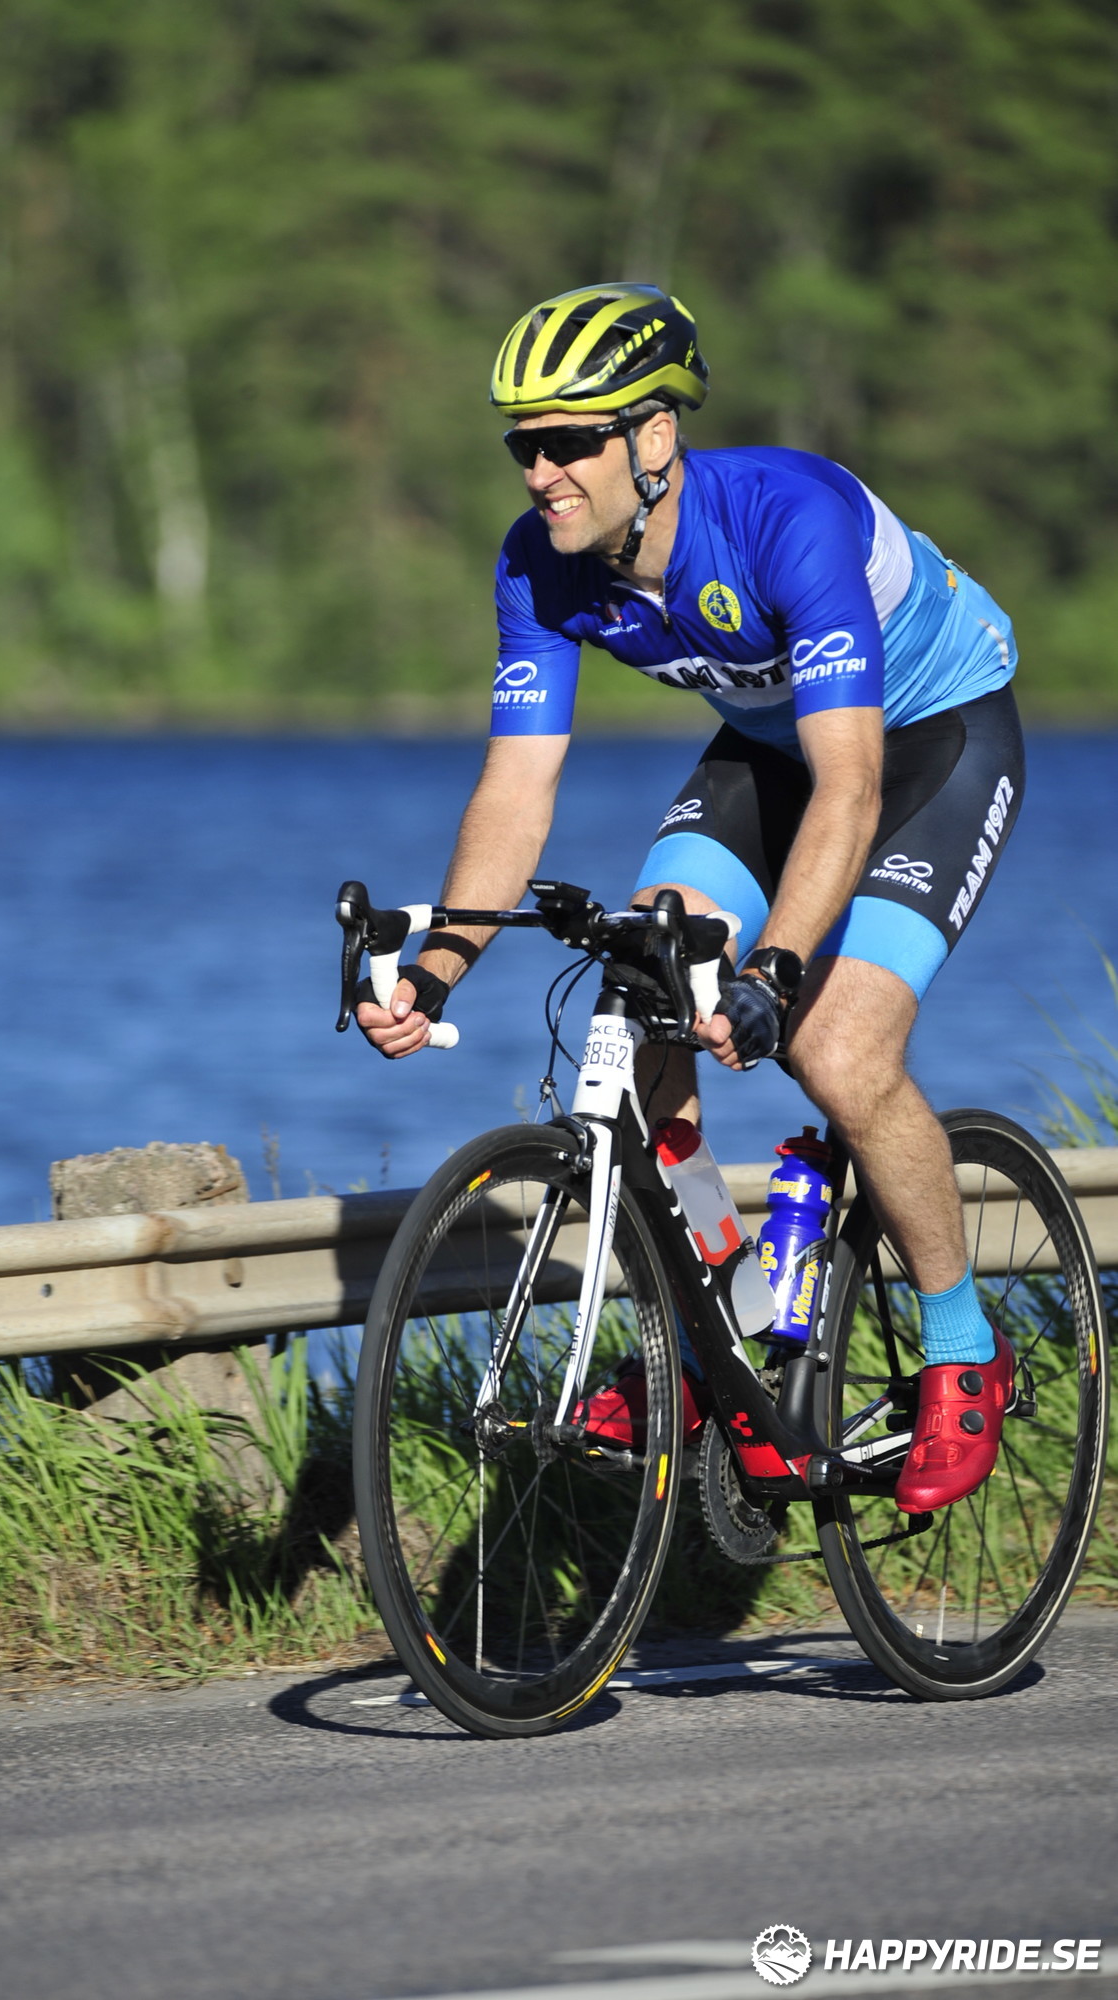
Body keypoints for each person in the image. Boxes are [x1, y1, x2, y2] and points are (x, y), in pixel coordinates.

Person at [357, 281, 1024, 1512]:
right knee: (639, 978)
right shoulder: (540, 563)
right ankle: (725, 1320)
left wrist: (776, 968)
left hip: (928, 742)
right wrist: (440, 966)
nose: (541, 472)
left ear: (654, 436)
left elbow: (851, 786)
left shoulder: (787, 518)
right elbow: (517, 787)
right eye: (523, 445)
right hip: (771, 747)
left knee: (836, 1046)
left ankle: (964, 1345)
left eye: (569, 441)